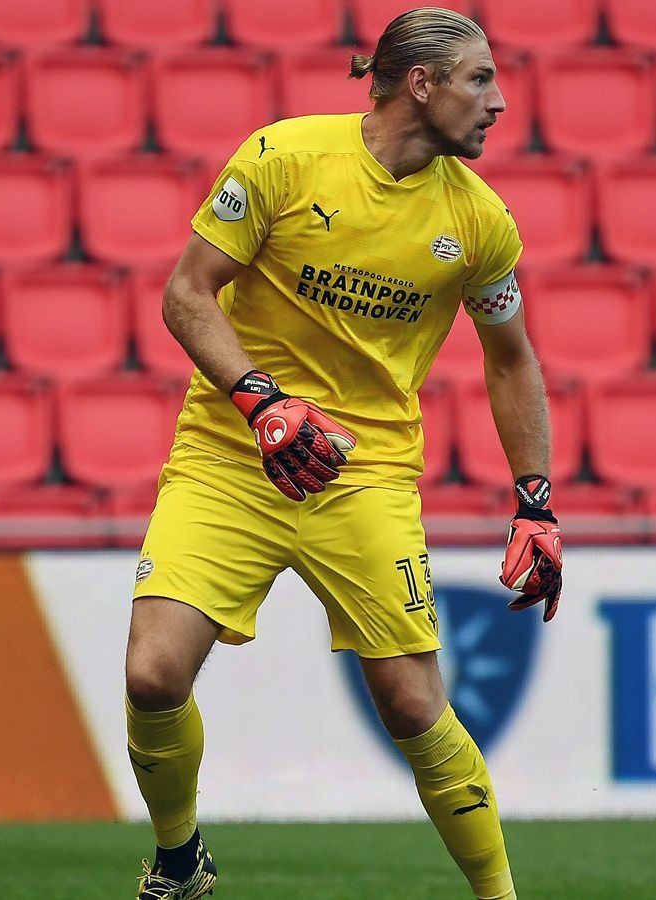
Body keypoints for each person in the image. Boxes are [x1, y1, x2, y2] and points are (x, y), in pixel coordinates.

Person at [123, 10, 560, 899]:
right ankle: (179, 860)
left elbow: (511, 359)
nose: (499, 103)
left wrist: (537, 502)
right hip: (232, 452)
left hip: (363, 475)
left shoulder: (480, 225)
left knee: (411, 704)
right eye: (479, 80)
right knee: (152, 672)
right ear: (421, 83)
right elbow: (186, 295)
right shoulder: (285, 159)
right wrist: (263, 403)